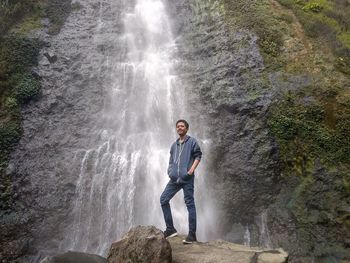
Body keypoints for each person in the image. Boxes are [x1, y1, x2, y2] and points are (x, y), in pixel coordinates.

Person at [160, 119, 202, 244]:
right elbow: (171, 160)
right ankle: (170, 229)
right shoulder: (174, 145)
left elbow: (198, 156)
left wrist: (190, 171)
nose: (179, 128)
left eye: (182, 126)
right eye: (178, 126)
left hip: (187, 178)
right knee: (163, 199)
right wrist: (170, 171)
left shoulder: (192, 142)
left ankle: (192, 235)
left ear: (186, 128)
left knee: (190, 204)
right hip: (174, 179)